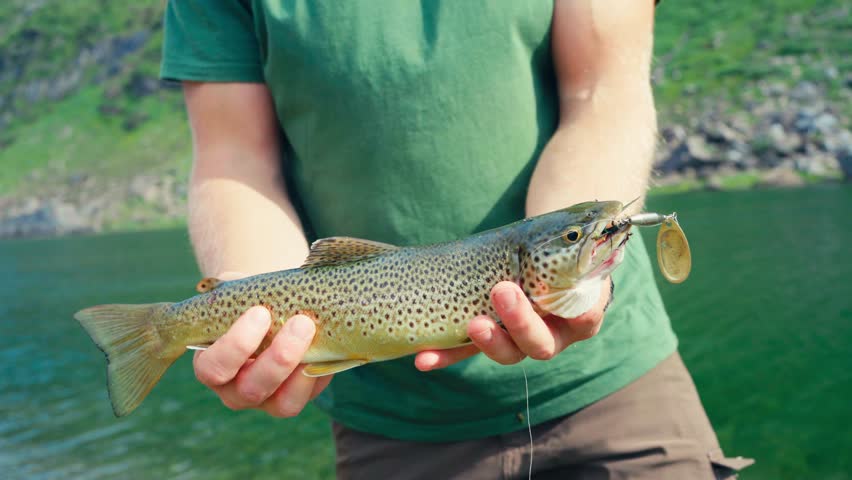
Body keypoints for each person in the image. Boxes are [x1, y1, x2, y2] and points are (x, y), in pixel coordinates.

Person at [161, 1, 750, 478]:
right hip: (391, 421)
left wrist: (577, 274)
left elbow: (604, 91)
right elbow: (232, 157)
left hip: (621, 381)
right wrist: (262, 315)